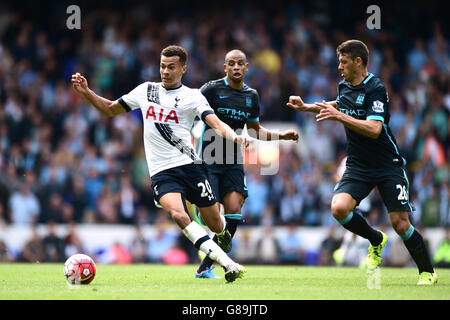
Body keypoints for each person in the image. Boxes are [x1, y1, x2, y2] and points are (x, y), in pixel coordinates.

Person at [71, 45, 247, 282]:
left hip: (191, 166)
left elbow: (215, 122)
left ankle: (219, 231)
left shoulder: (193, 96)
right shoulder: (146, 91)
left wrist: (234, 136)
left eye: (171, 67)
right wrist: (86, 92)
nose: (165, 71)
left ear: (183, 69)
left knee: (216, 225)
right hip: (162, 172)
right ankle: (228, 264)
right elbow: (111, 109)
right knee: (178, 214)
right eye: (162, 66)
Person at [286, 40, 437, 285]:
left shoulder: (375, 88)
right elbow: (338, 105)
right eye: (339, 61)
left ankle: (427, 272)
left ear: (358, 62)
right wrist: (307, 107)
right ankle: (376, 239)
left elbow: (375, 129)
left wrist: (340, 117)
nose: (339, 67)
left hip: (387, 163)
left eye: (343, 62)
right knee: (339, 208)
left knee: (400, 223)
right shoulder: (344, 86)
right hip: (358, 165)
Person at [194, 49, 299, 278]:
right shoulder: (211, 89)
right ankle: (202, 214)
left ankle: (206, 266)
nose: (236, 67)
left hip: (233, 161)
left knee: (233, 213)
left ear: (247, 67)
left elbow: (255, 131)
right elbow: (190, 113)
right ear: (225, 67)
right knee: (210, 217)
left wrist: (282, 137)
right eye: (231, 63)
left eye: (240, 63)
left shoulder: (251, 96)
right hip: (209, 159)